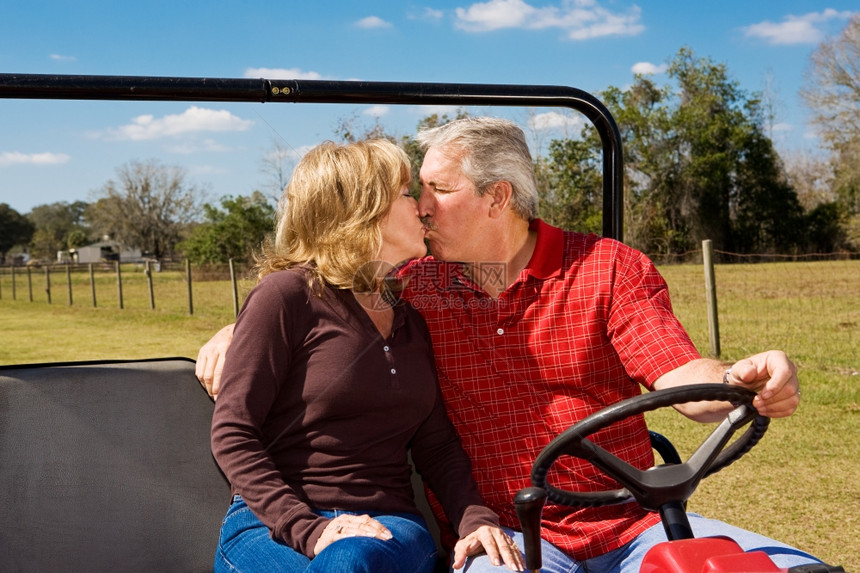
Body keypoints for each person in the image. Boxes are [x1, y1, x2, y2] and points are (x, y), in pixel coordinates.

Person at [199, 118, 823, 572]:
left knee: (795, 569)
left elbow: (680, 374)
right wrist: (240, 328)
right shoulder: (421, 288)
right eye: (413, 193)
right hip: (512, 535)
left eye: (437, 190)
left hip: (633, 520)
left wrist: (740, 381)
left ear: (497, 196)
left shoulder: (606, 269)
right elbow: (326, 288)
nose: (421, 208)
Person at [209, 138, 524, 573]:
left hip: (388, 527)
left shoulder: (408, 316)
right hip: (273, 526)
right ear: (363, 210)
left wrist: (475, 518)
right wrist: (309, 529)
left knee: (354, 558)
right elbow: (233, 432)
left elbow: (436, 444)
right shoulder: (286, 296)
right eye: (406, 194)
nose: (421, 207)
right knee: (345, 561)